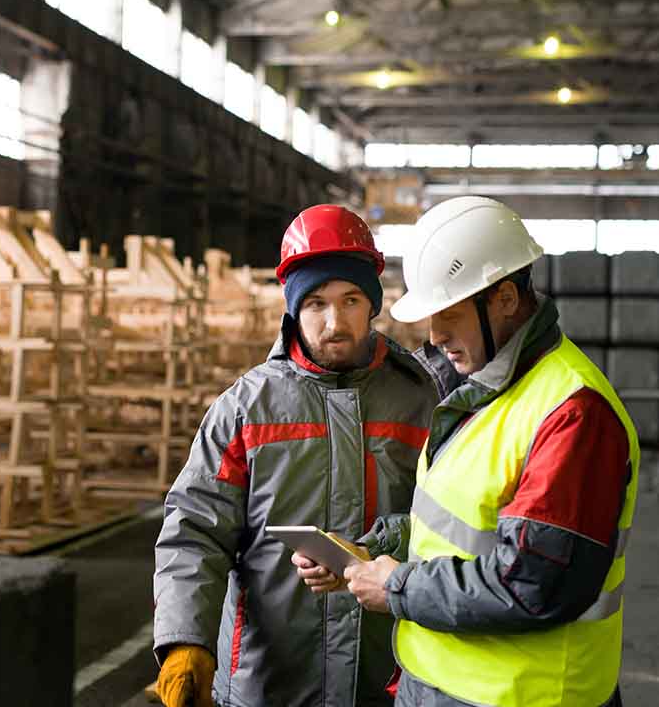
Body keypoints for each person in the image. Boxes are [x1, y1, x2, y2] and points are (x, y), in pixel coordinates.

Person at [335, 196, 639, 707]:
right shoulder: (485, 390)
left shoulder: (574, 414)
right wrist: (385, 547)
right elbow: (469, 527)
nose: (435, 336)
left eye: (449, 314)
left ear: (504, 299)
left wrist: (398, 588)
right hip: (438, 685)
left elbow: (533, 582)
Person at [152, 204, 450, 707]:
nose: (335, 322)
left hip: (385, 679)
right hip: (268, 684)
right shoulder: (245, 409)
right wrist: (184, 641)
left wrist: (383, 551)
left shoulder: (422, 401)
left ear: (373, 303)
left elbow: (448, 523)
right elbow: (194, 529)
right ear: (293, 308)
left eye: (350, 300)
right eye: (316, 303)